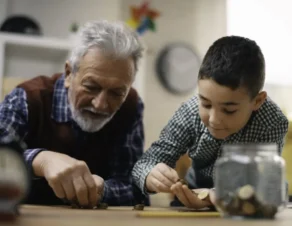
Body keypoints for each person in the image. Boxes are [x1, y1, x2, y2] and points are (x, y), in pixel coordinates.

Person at [0, 20, 146, 208]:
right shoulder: (28, 98)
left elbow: (134, 186)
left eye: (117, 93)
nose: (100, 104)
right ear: (69, 74)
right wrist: (41, 160)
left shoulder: (131, 106)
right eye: (91, 87)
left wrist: (102, 190)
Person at [132, 36, 289, 209]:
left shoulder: (272, 121)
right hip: (192, 194)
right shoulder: (190, 112)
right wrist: (150, 175)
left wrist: (220, 195)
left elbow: (267, 182)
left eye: (229, 110)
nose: (214, 119)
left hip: (246, 202)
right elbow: (145, 164)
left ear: (257, 101)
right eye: (206, 104)